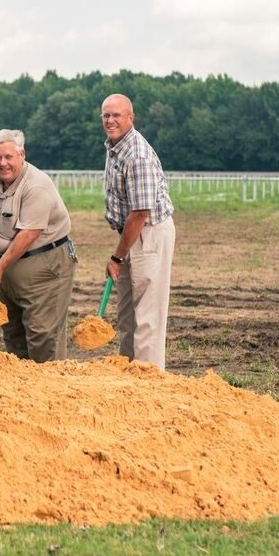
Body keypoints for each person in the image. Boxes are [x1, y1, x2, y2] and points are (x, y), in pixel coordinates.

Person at [0, 129, 76, 362]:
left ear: (21, 154)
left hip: (43, 268)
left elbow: (29, 234)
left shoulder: (37, 186)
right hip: (9, 268)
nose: (2, 163)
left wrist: (0, 267)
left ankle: (49, 392)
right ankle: (23, 393)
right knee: (14, 336)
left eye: (8, 157)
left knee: (42, 337)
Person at [100, 93, 175, 370]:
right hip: (130, 233)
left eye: (116, 115)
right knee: (128, 313)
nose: (110, 120)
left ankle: (148, 382)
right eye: (106, 115)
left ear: (131, 118)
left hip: (148, 234)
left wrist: (117, 257)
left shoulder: (137, 154)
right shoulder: (115, 147)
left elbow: (140, 213)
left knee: (147, 315)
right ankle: (128, 377)